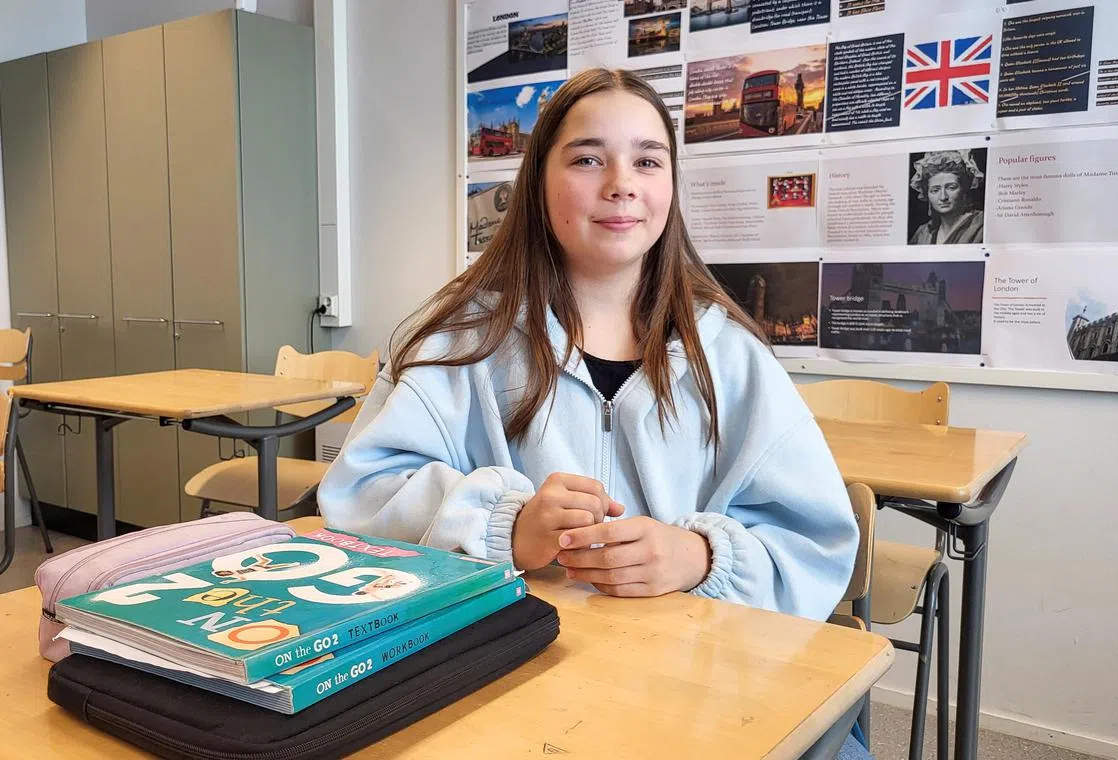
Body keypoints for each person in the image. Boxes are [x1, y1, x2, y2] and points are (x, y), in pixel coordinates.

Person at [318, 68, 867, 755]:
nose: (621, 184)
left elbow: (815, 540)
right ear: (538, 183)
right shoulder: (459, 338)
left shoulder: (732, 356)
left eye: (647, 161)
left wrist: (702, 557)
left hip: (700, 694)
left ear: (670, 185)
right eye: (586, 159)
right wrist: (504, 527)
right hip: (511, 691)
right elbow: (360, 494)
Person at [908, 149, 985, 245]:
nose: (943, 197)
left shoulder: (981, 225)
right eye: (935, 190)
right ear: (927, 194)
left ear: (964, 190)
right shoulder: (923, 233)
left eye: (951, 188)